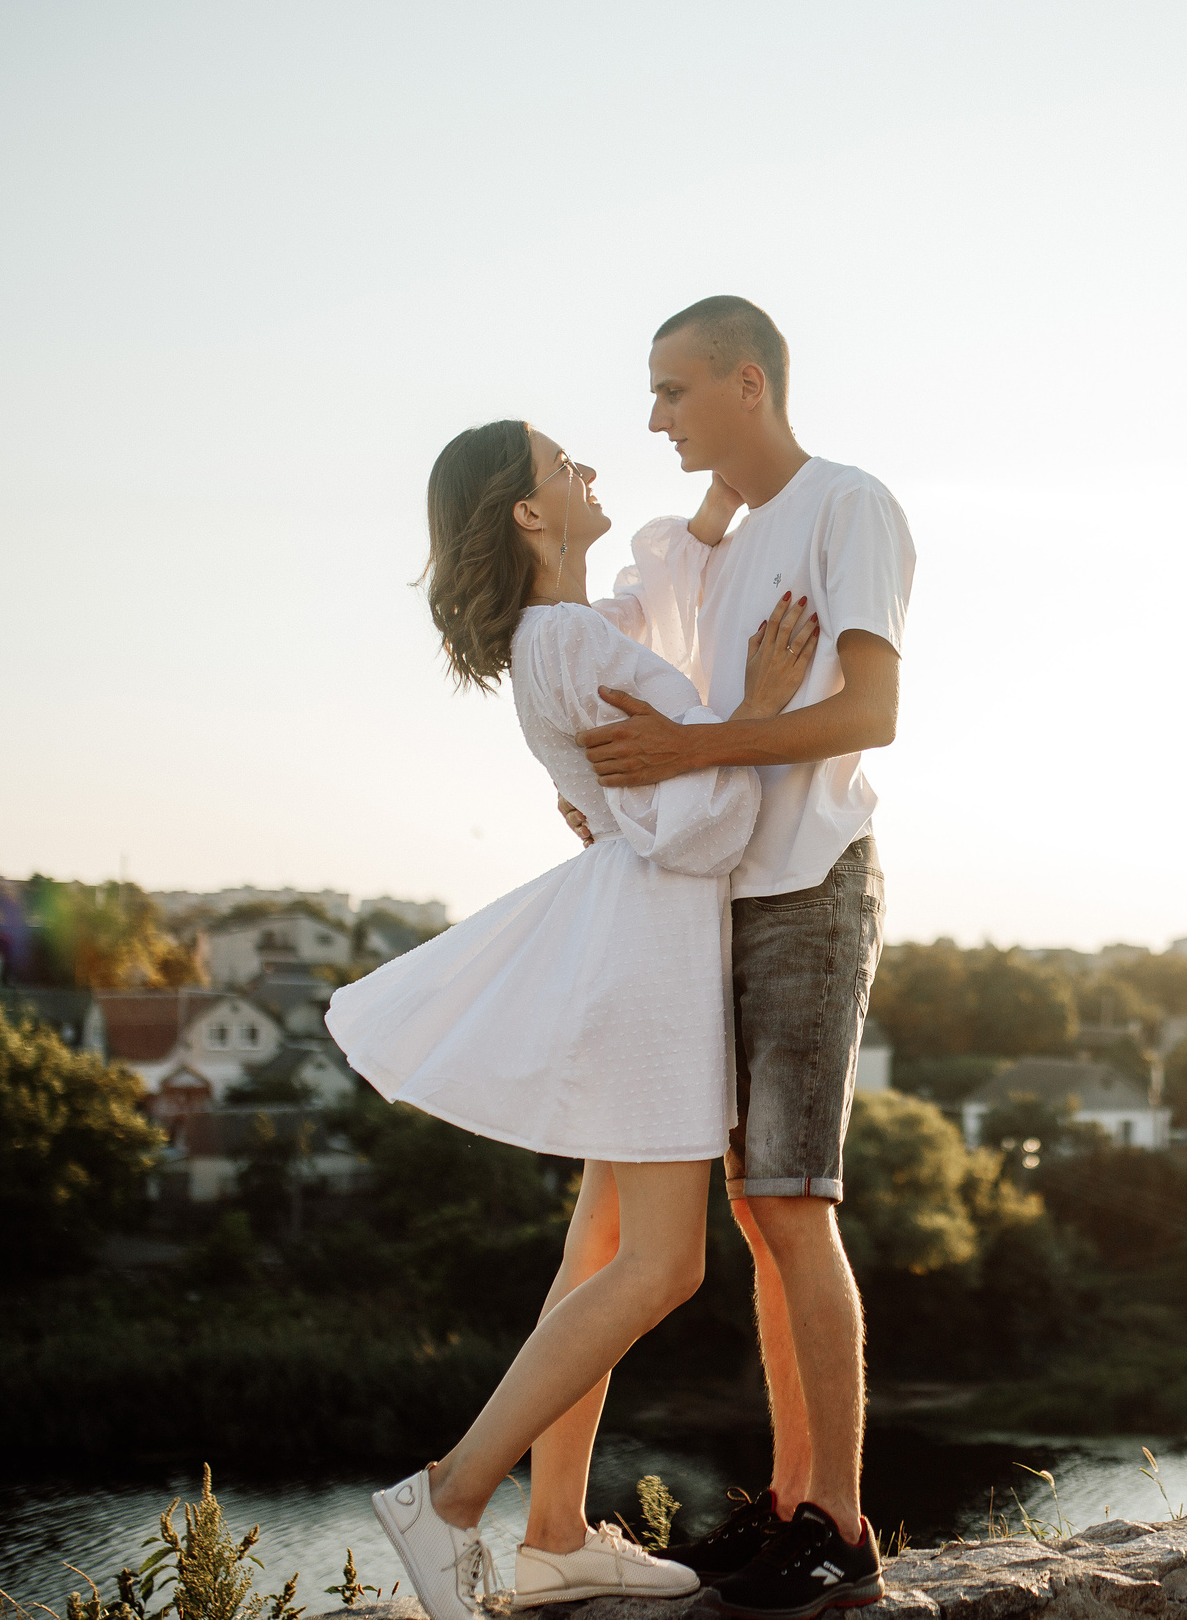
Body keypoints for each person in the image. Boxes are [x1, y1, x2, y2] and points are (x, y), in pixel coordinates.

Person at [332, 419, 822, 1620]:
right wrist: (751, 717)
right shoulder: (567, 642)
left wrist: (713, 516)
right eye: (565, 466)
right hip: (649, 958)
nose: (591, 471)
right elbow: (693, 827)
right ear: (527, 515)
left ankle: (552, 1537)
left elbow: (651, 603)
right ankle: (450, 1495)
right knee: (661, 1264)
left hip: (631, 940)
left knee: (598, 1251)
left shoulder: (565, 631)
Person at [569, 296, 914, 1620]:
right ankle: (791, 1510)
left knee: (791, 1202)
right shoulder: (730, 540)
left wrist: (698, 750)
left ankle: (840, 1528)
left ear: (747, 382)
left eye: (673, 391)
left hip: (809, 889)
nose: (654, 417)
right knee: (762, 1215)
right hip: (721, 898)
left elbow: (873, 710)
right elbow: (676, 686)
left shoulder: (849, 503)